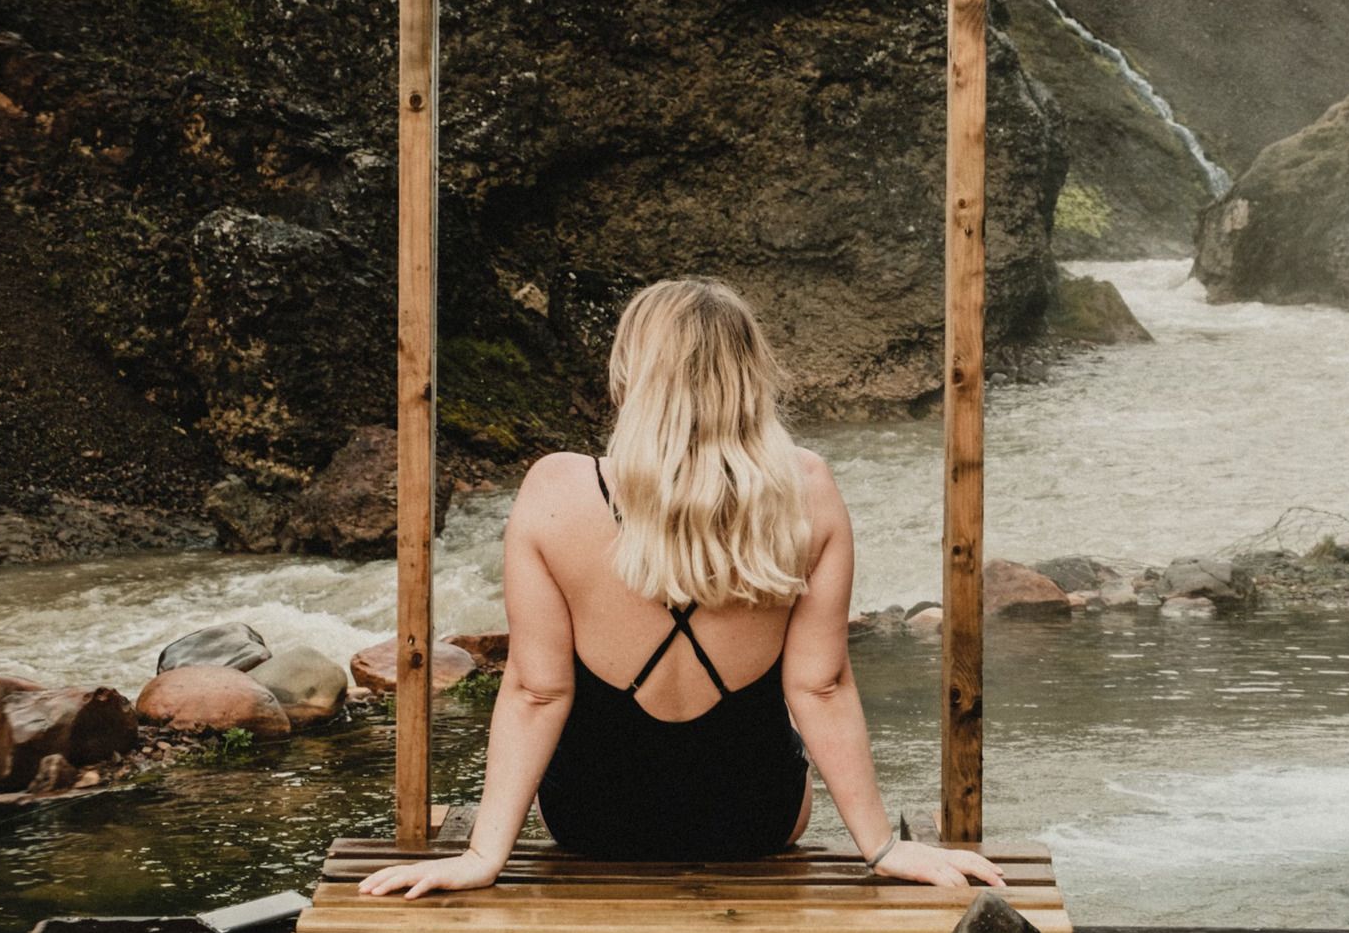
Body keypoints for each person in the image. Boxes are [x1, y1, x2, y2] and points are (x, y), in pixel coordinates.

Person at [360, 276, 1006, 899]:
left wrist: (483, 856)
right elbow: (820, 686)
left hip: (592, 821)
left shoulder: (555, 492)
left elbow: (536, 691)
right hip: (755, 822)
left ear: (631, 377)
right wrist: (883, 849)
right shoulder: (807, 491)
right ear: (751, 380)